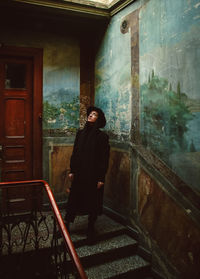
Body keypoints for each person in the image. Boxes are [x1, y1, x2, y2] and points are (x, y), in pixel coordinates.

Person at [65, 106, 110, 243]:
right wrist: (72, 170)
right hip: (79, 173)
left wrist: (101, 178)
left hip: (93, 175)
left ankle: (90, 229)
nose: (90, 115)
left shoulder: (102, 136)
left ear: (99, 118)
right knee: (73, 199)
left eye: (94, 114)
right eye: (90, 114)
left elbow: (104, 158)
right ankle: (66, 226)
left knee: (93, 202)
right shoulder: (81, 133)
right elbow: (75, 152)